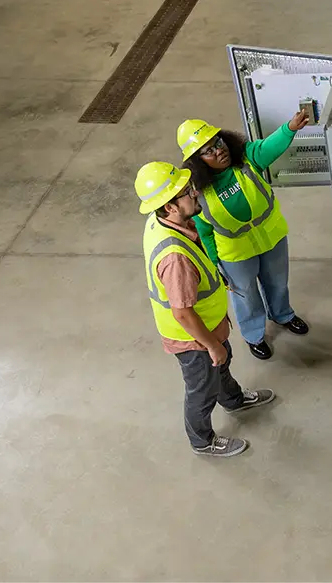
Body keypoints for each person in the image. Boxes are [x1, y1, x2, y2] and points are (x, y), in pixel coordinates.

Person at [135, 161, 275, 457]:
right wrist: (211, 345)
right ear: (170, 207)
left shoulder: (162, 220)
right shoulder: (175, 259)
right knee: (202, 389)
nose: (195, 192)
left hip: (209, 326)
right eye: (186, 192)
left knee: (221, 366)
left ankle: (234, 399)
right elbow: (182, 313)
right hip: (192, 338)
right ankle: (202, 440)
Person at [177, 115, 310, 361]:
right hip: (235, 255)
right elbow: (204, 232)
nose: (219, 152)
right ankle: (254, 335)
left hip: (272, 238)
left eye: (218, 143)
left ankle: (282, 315)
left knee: (278, 282)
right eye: (208, 152)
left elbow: (268, 148)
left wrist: (289, 129)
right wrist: (215, 262)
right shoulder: (198, 192)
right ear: (198, 162)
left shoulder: (247, 158)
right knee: (246, 296)